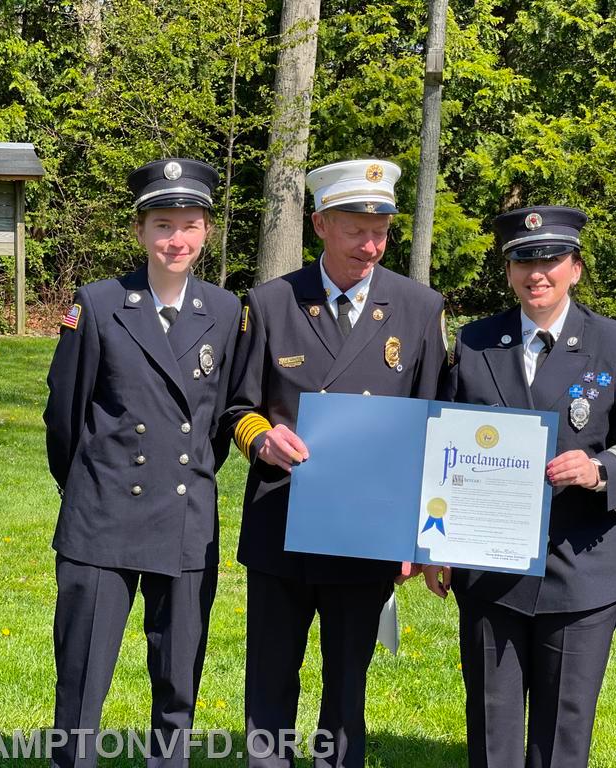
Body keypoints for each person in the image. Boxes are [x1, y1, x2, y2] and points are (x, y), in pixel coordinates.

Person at [224, 159, 448, 767]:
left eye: (381, 231)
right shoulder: (272, 303)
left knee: (346, 687)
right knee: (270, 680)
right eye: (355, 230)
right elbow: (238, 406)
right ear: (320, 224)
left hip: (368, 533)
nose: (370, 246)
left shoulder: (419, 308)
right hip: (282, 522)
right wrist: (262, 439)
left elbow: (433, 427)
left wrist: (419, 533)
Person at [424, 206, 616, 768]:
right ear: (508, 271)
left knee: (561, 739)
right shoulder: (478, 344)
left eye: (551, 259)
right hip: (489, 573)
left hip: (579, 571)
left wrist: (599, 469)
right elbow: (443, 447)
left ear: (575, 268)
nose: (538, 273)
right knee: (491, 731)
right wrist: (432, 545)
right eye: (523, 260)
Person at [44, 158, 241, 768]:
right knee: (81, 677)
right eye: (162, 224)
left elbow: (221, 418)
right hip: (102, 516)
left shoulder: (226, 312)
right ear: (139, 232)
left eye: (188, 224)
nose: (174, 239)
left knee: (179, 680)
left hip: (185, 519)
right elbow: (64, 416)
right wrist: (90, 486)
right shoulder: (100, 304)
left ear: (206, 231)